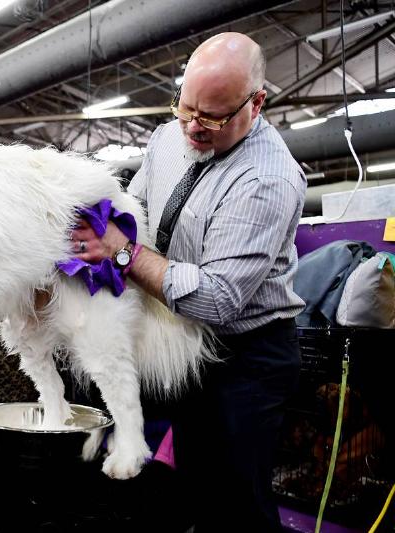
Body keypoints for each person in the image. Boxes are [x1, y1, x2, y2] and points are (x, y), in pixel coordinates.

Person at [72, 33, 306, 532]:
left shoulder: (267, 180)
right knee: (194, 487)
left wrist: (121, 251)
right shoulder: (167, 138)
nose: (194, 128)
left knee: (237, 504)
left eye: (213, 118)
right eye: (185, 108)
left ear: (256, 102)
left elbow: (217, 299)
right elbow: (135, 212)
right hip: (183, 341)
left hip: (246, 358)